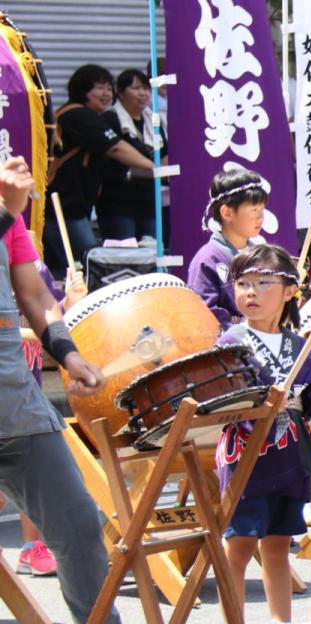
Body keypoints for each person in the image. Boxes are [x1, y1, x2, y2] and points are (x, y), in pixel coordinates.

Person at [0, 156, 134, 624]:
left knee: (80, 523)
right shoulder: (6, 212)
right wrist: (9, 212)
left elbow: (35, 294)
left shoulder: (7, 217)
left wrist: (70, 354)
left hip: (16, 402)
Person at [215, 243, 311, 624]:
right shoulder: (231, 341)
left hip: (286, 453)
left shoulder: (298, 345)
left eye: (262, 283)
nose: (250, 292)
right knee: (238, 544)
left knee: (277, 544)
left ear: (290, 290)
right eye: (243, 283)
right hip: (245, 453)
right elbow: (218, 393)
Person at [9, 247, 87, 577]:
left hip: (29, 387)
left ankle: (31, 546)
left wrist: (70, 301)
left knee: (31, 468)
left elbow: (52, 314)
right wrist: (36, 332)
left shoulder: (32, 265)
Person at [43, 64, 155, 277]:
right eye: (99, 88)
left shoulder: (81, 116)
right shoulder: (79, 116)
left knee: (75, 267)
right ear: (83, 90)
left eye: (108, 88)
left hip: (73, 208)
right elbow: (115, 148)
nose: (106, 94)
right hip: (65, 208)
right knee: (90, 265)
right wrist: (155, 169)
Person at [187, 167, 268, 328]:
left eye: (262, 210)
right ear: (227, 213)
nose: (260, 217)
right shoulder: (208, 259)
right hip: (231, 348)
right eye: (254, 210)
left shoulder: (261, 256)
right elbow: (204, 316)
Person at [97, 68, 164, 242]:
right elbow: (114, 151)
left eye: (145, 88)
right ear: (120, 92)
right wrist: (154, 167)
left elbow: (164, 155)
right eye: (135, 88)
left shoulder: (154, 121)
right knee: (123, 255)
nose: (143, 94)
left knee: (151, 254)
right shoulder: (109, 119)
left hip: (149, 202)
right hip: (118, 202)